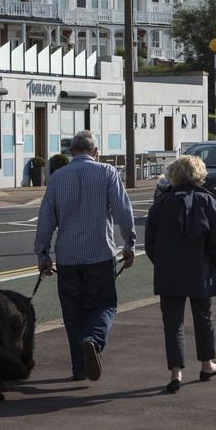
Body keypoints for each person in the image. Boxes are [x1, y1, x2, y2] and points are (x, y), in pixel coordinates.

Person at [34, 131, 135, 382]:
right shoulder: (107, 173)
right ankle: (94, 340)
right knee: (104, 305)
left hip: (68, 258)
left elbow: (46, 220)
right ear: (96, 152)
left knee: (73, 313)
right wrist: (129, 243)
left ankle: (79, 368)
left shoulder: (57, 177)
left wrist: (43, 253)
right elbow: (123, 211)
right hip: (100, 254)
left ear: (71, 152)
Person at [145, 155, 216, 393]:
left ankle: (175, 373)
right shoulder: (208, 201)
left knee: (172, 324)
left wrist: (160, 262)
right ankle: (206, 364)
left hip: (168, 271)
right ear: (199, 175)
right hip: (200, 269)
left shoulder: (160, 204)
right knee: (203, 318)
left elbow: (150, 242)